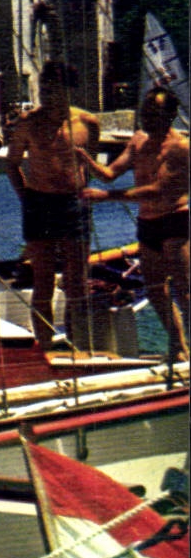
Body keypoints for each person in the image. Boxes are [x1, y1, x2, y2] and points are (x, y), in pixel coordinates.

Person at [82, 88, 189, 361]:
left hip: (175, 221)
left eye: (155, 114)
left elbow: (158, 190)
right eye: (146, 113)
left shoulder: (180, 148)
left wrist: (106, 197)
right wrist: (85, 160)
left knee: (184, 291)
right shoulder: (138, 141)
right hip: (147, 224)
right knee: (155, 291)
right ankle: (178, 349)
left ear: (170, 115)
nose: (148, 119)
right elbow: (109, 174)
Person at [5, 60, 101, 348]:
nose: (47, 97)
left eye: (54, 91)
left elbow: (89, 165)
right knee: (43, 281)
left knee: (77, 282)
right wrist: (26, 197)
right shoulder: (28, 123)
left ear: (69, 91)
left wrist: (82, 190)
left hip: (74, 205)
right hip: (39, 203)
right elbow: (12, 164)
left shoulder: (87, 123)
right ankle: (45, 346)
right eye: (44, 90)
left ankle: (78, 343)